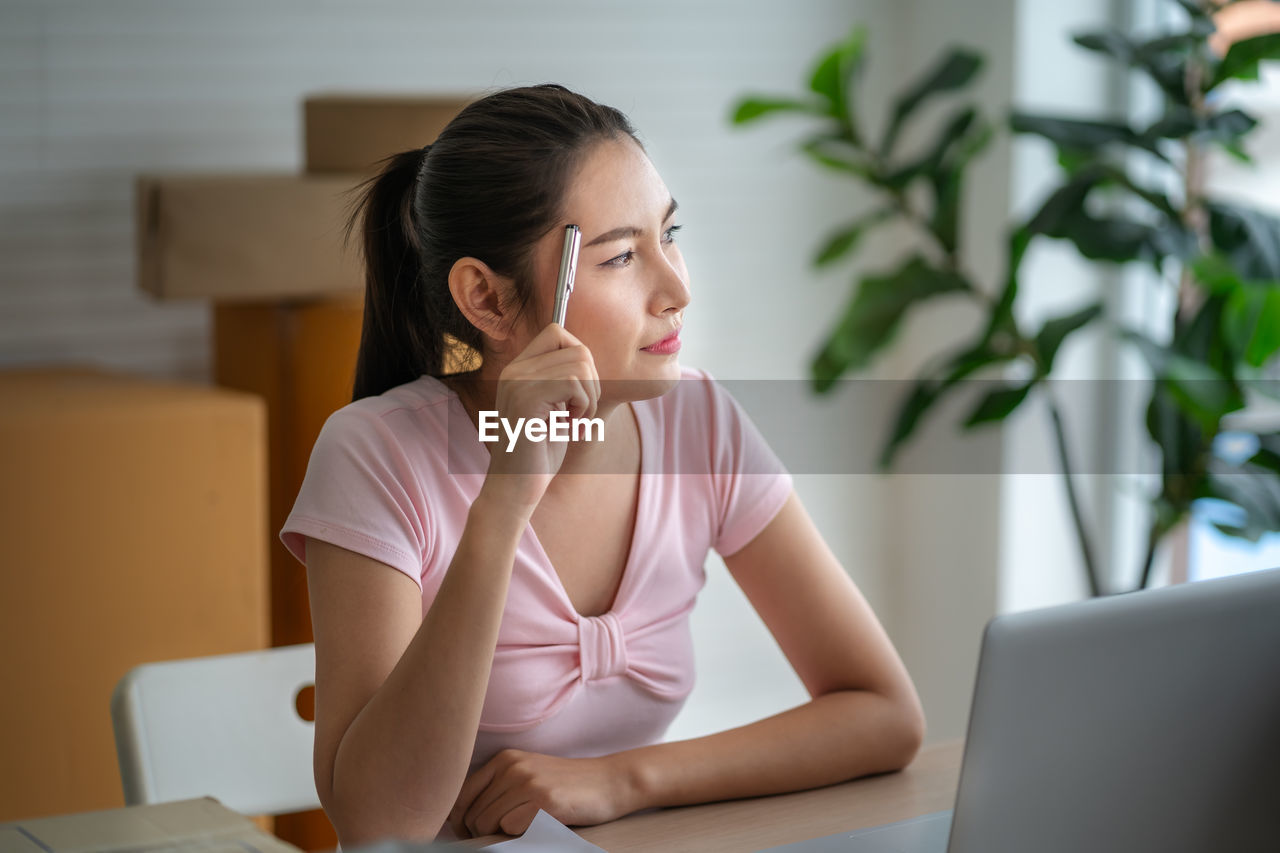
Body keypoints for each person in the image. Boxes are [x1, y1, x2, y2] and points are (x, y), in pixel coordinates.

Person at [281, 83, 924, 847]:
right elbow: (379, 824)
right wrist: (504, 503)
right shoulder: (375, 454)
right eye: (621, 256)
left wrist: (620, 778)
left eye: (669, 232)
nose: (678, 289)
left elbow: (884, 712)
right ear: (486, 299)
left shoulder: (698, 420)